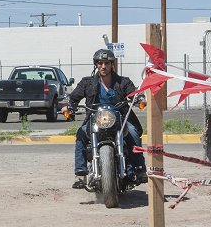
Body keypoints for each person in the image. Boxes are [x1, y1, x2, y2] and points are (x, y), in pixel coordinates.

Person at [61, 49, 148, 189]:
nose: (103, 66)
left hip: (119, 118)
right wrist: (68, 105)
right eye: (100, 63)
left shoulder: (123, 82)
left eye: (106, 63)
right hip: (95, 118)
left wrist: (139, 98)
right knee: (81, 134)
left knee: (132, 133)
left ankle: (140, 169)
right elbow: (74, 97)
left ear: (112, 64)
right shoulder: (87, 82)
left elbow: (133, 93)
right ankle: (80, 173)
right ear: (96, 64)